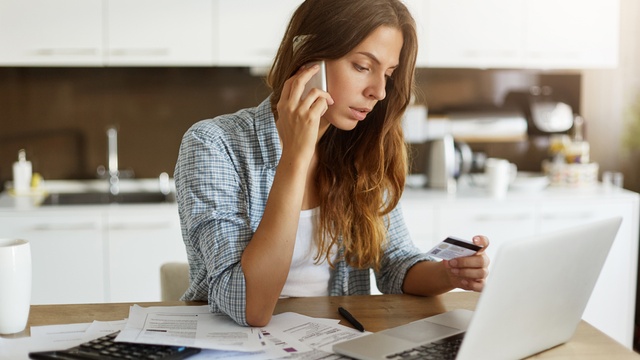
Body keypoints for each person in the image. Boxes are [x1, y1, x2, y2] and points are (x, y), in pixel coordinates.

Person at [174, 0, 490, 327]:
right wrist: (296, 155)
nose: (379, 91)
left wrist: (448, 273)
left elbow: (395, 263)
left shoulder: (359, 151)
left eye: (389, 74)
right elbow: (250, 307)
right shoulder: (214, 144)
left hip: (333, 340)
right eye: (362, 67)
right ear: (309, 58)